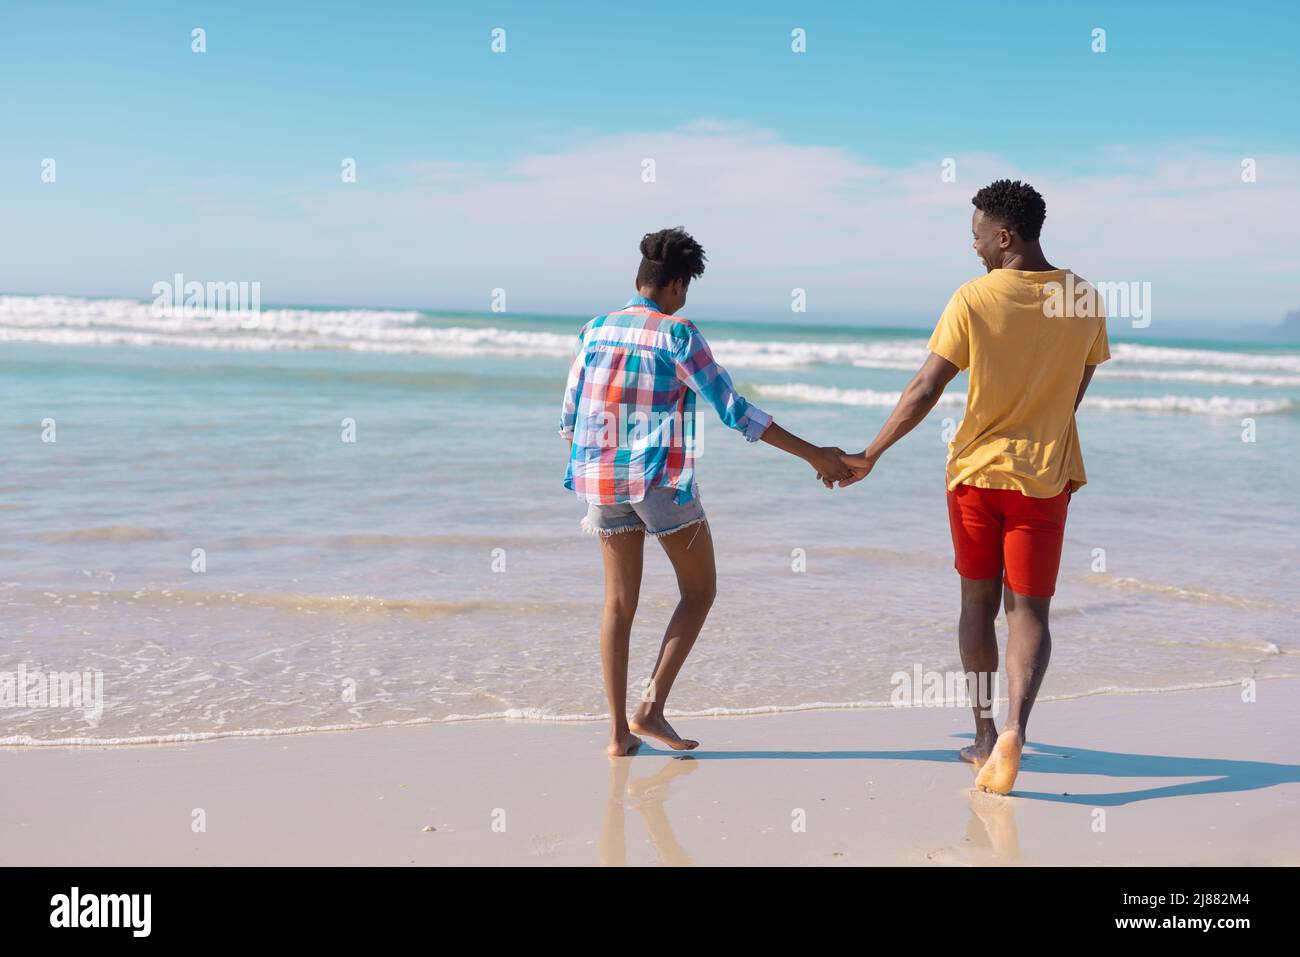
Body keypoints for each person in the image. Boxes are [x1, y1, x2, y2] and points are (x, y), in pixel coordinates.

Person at [839, 180, 1110, 794]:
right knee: (1030, 611)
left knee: (977, 607)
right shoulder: (1085, 298)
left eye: (978, 235)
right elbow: (1077, 385)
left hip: (976, 478)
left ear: (1005, 236)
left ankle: (985, 736)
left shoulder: (974, 298)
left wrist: (871, 453)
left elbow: (925, 390)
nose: (974, 247)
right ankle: (1017, 727)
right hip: (1044, 478)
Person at [560, 227, 851, 756]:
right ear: (674, 286)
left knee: (618, 605)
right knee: (699, 593)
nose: (683, 299)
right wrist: (816, 454)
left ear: (637, 278)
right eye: (684, 288)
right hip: (659, 483)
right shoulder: (677, 333)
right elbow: (734, 411)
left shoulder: (593, 330)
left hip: (598, 480)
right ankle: (649, 708)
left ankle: (617, 736)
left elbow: (569, 418)